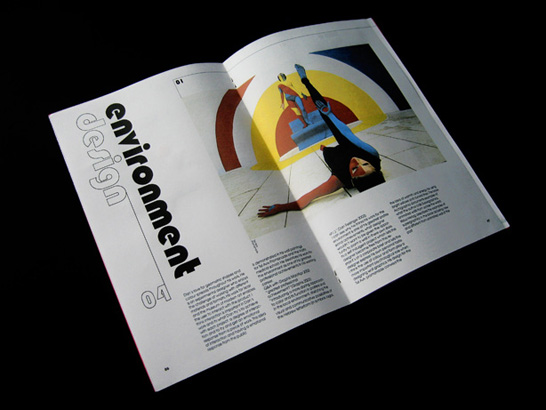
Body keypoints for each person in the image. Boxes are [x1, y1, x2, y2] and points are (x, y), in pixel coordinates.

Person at [258, 64, 385, 218]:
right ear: (373, 166)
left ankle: (324, 149)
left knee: (329, 152)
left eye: (355, 169)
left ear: (351, 179)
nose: (356, 161)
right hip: (348, 145)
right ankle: (305, 80)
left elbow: (310, 197)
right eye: (365, 164)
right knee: (325, 111)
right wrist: (329, 115)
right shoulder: (371, 155)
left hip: (335, 156)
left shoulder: (340, 180)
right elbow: (347, 133)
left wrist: (282, 207)